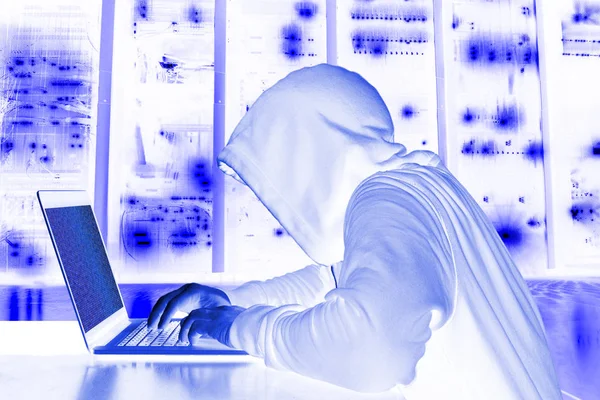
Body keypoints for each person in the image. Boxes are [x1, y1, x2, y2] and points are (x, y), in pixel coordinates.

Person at [148, 64, 562, 399]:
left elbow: (370, 350)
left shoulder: (387, 198)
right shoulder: (418, 184)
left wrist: (240, 327)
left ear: (307, 152)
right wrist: (229, 303)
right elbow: (334, 279)